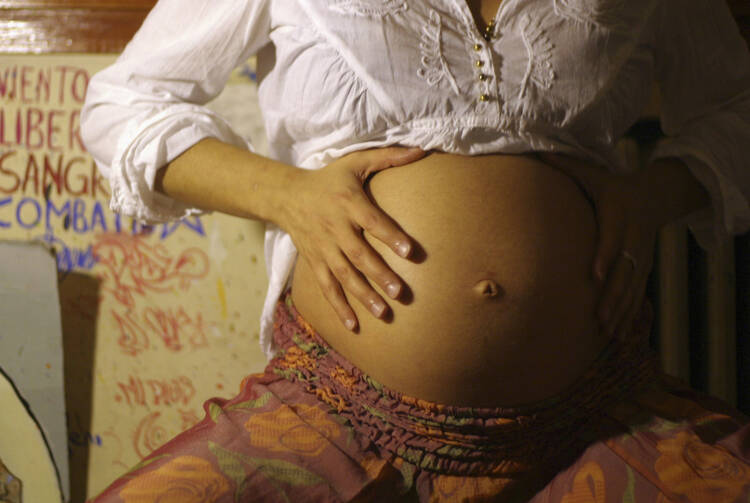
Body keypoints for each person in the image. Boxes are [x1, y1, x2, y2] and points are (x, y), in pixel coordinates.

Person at [81, 0, 750, 500]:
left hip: (596, 414)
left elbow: (737, 108)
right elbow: (123, 106)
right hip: (337, 415)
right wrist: (288, 196)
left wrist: (649, 197)